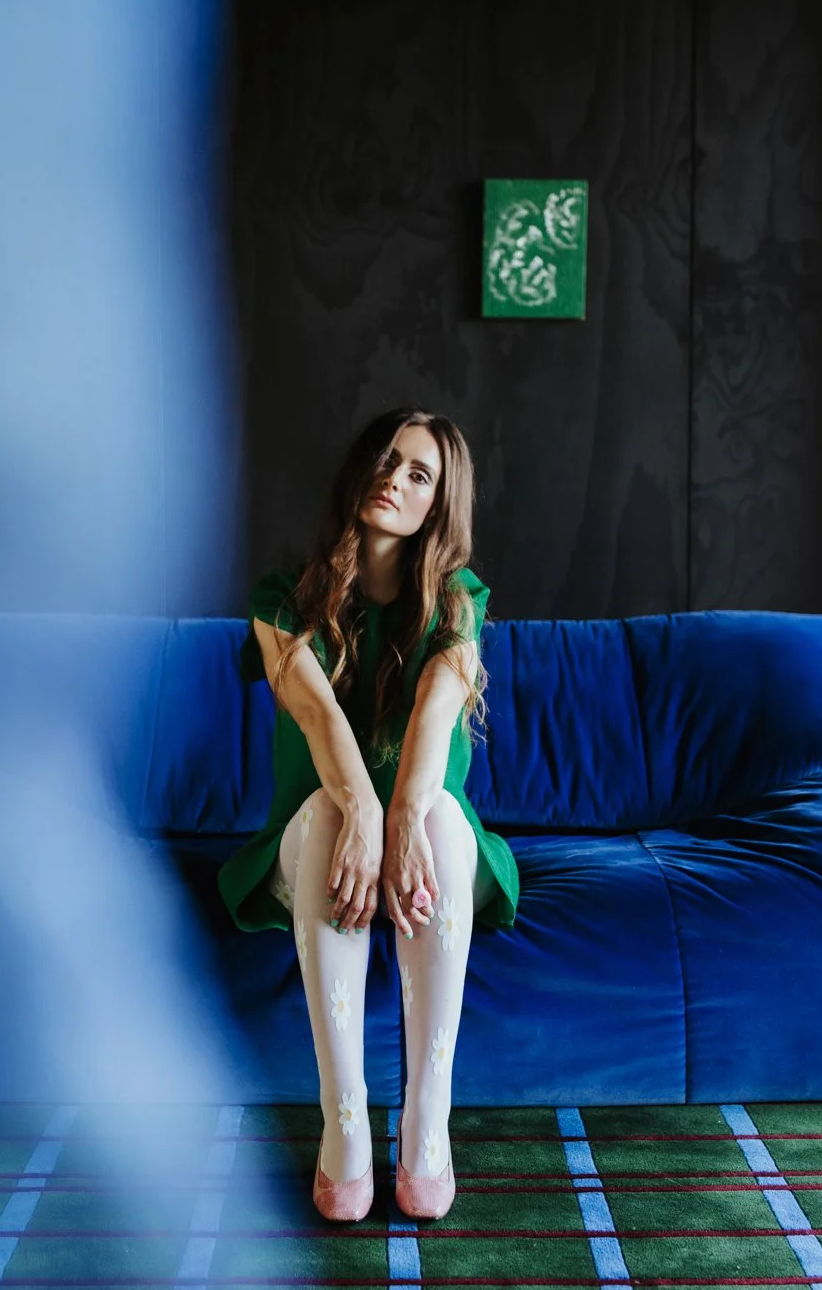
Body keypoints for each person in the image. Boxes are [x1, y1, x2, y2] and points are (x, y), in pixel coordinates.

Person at [217, 407, 520, 1223]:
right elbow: (317, 717)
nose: (394, 478)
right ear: (359, 471)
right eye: (386, 461)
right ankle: (344, 1122)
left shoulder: (459, 601)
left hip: (429, 847)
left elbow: (432, 719)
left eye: (418, 473)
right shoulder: (284, 599)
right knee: (323, 811)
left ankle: (428, 1121)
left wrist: (401, 819)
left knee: (440, 822)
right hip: (313, 843)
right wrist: (357, 810)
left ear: (438, 502)